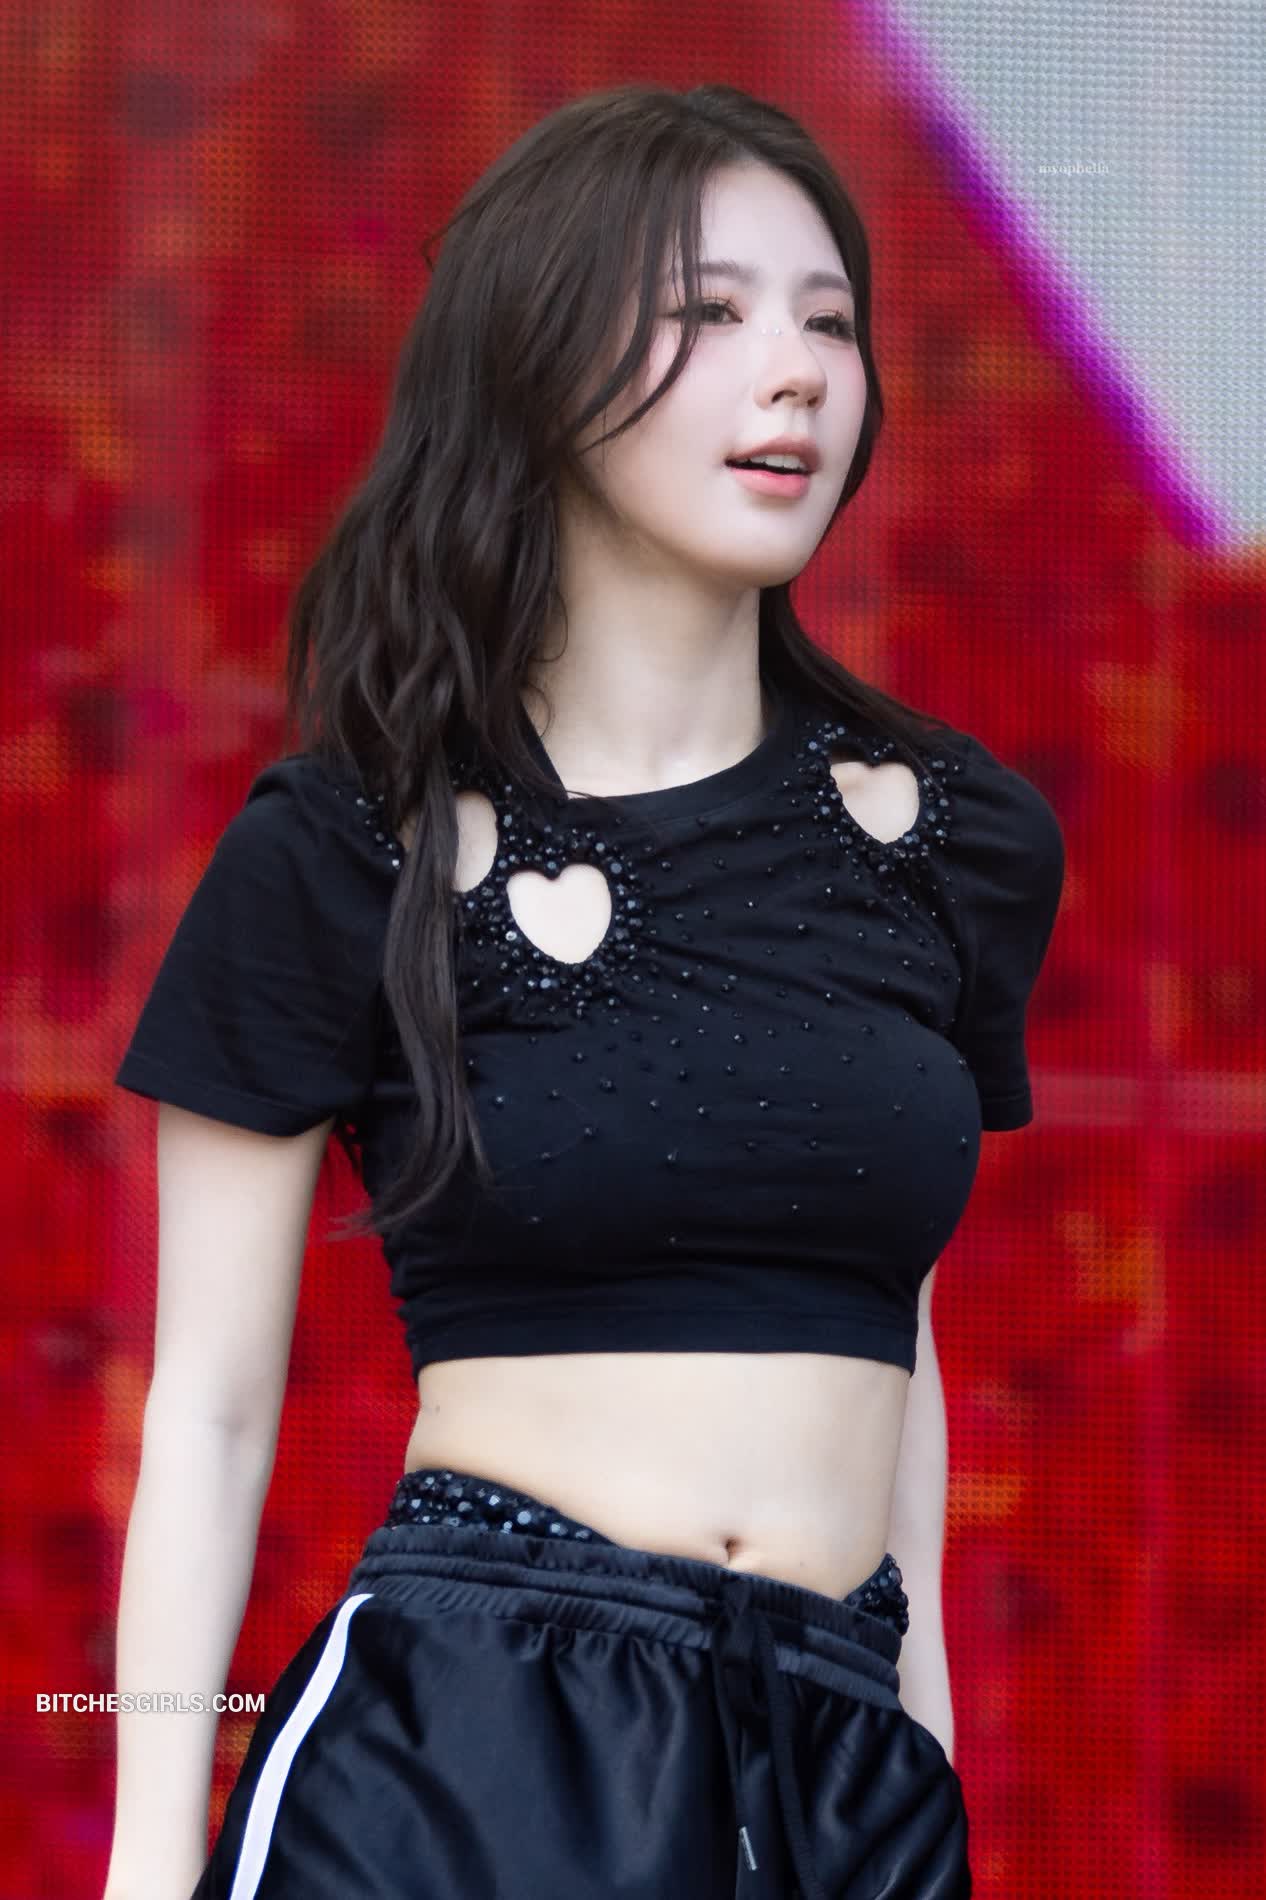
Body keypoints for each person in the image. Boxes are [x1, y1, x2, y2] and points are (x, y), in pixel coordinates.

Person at [104, 80, 1064, 1900]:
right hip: (469, 1743)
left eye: (828, 321)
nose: (794, 374)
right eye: (709, 313)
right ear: (542, 371)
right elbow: (209, 1416)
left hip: (833, 1746)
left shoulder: (956, 838)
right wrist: (147, 1860)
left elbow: (892, 1338)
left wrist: (915, 1762)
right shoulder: (348, 849)